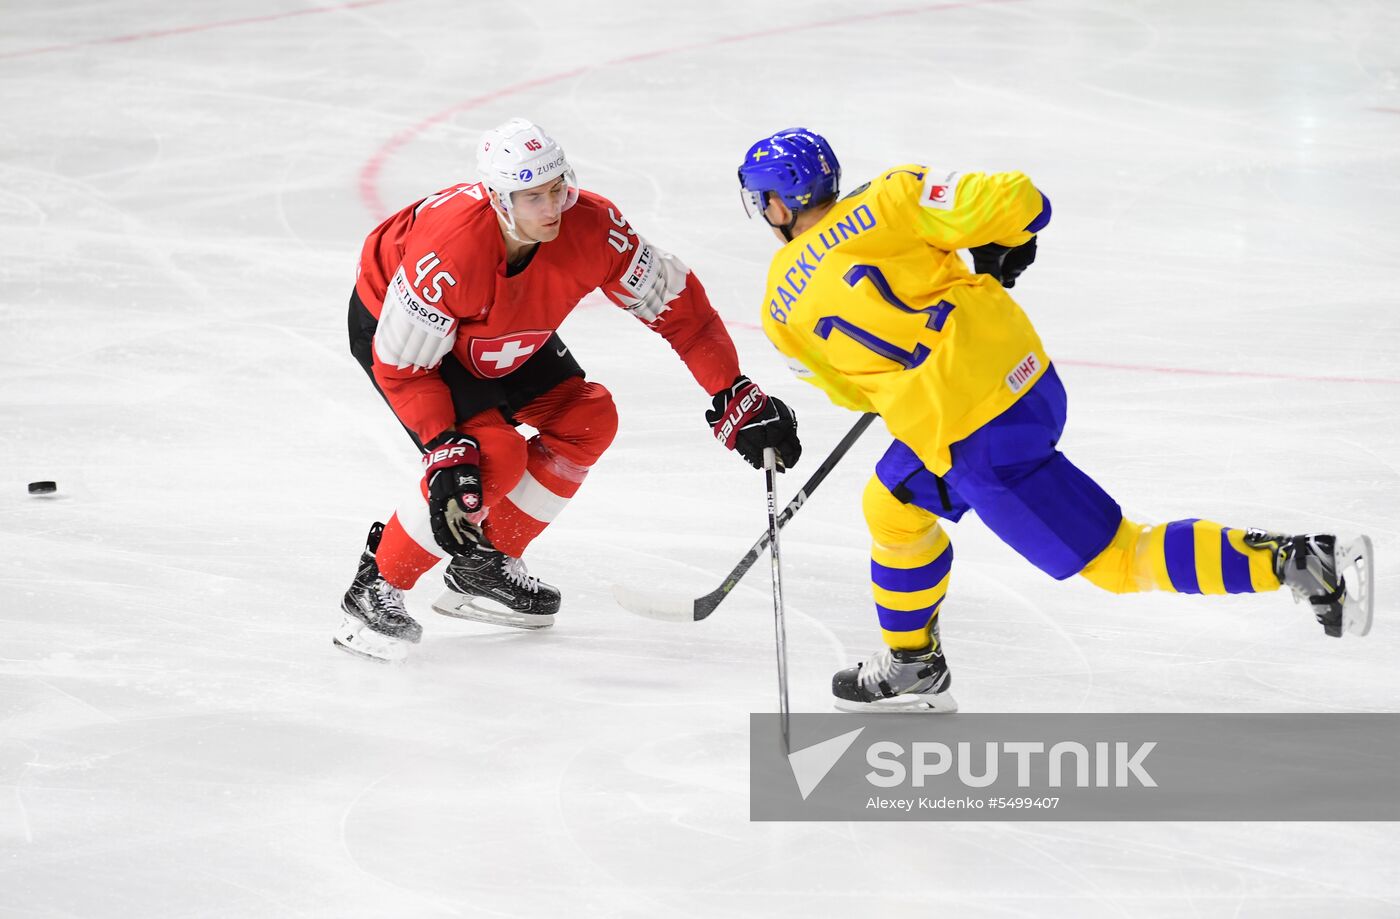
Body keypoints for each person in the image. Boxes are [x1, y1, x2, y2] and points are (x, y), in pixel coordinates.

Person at [734, 127, 1375, 712]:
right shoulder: (894, 196)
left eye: (762, 200)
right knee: (892, 505)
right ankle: (915, 664)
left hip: (975, 437)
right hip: (1029, 384)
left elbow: (851, 395)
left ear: (781, 204)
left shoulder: (779, 306)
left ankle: (1301, 561)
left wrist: (906, 388)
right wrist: (1008, 244)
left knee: (1120, 561)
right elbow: (1021, 200)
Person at [334, 117, 801, 663]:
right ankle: (376, 589)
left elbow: (682, 312)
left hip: (497, 323)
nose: (553, 207)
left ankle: (483, 565)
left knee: (588, 417)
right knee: (490, 457)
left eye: (557, 188)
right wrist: (445, 447)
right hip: (409, 339)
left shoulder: (593, 227)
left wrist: (732, 392)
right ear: (498, 198)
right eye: (534, 196)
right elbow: (406, 369)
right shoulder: (450, 254)